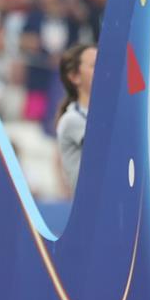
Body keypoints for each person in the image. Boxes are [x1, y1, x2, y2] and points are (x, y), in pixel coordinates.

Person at [55, 44, 96, 191]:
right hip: (94, 208)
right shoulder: (72, 119)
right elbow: (110, 149)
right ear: (75, 77)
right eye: (94, 65)